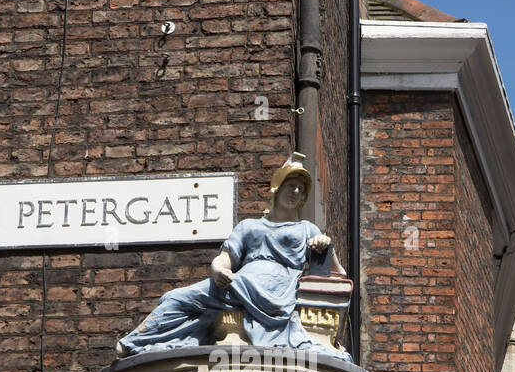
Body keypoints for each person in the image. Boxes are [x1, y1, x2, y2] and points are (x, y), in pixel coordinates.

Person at [116, 152, 348, 356]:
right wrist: (218, 270)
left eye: (301, 188)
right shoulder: (249, 226)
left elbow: (339, 273)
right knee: (177, 298)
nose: (296, 191)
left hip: (279, 290)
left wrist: (327, 246)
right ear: (278, 187)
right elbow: (225, 258)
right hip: (238, 284)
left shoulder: (307, 229)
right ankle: (135, 342)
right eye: (291, 185)